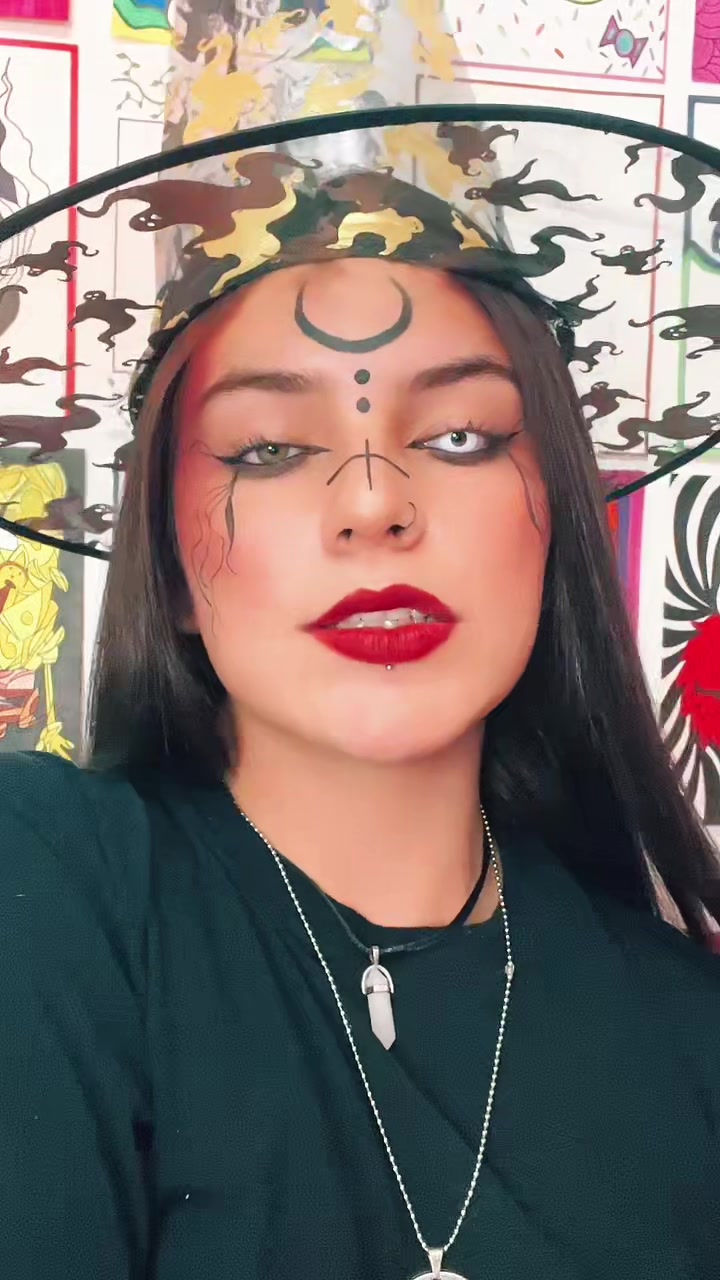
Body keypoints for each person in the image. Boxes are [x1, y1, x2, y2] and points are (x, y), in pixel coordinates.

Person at [1, 107, 720, 1280]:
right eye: (269, 449)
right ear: (169, 567)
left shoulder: (691, 1035)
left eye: (463, 435)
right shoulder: (43, 889)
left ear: (555, 522)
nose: (376, 502)